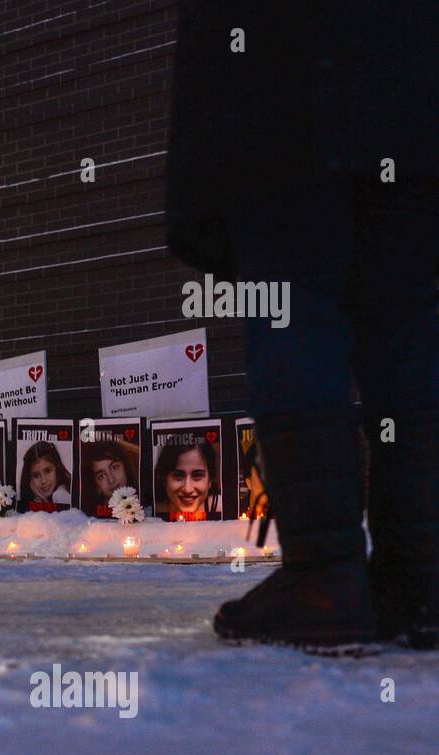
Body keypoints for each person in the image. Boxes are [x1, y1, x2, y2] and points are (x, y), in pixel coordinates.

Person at [167, 2, 439, 650]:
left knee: (292, 303)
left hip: (279, 81)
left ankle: (325, 581)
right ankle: (423, 581)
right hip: (413, 83)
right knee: (409, 317)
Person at [153, 442, 218, 521]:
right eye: (178, 476)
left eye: (197, 476)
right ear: (164, 478)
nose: (188, 489)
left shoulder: (223, 510)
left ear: (210, 480)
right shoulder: (149, 513)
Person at [83, 440, 136, 517]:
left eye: (114, 467)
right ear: (96, 486)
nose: (111, 480)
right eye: (101, 476)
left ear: (126, 467)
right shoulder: (89, 520)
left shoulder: (146, 510)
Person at [17, 441, 71, 512]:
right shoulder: (38, 497)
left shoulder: (60, 495)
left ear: (57, 468)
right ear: (29, 479)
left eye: (48, 471)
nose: (43, 481)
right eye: (36, 476)